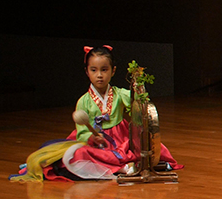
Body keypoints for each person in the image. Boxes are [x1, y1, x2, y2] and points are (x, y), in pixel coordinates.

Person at [10, 45, 181, 182]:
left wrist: (138, 89)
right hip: (96, 143)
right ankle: (122, 167)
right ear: (87, 72)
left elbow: (138, 105)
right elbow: (82, 132)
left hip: (120, 139)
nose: (99, 75)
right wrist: (91, 137)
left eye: (104, 70)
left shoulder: (120, 94)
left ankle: (119, 166)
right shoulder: (83, 101)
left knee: (143, 146)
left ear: (113, 71)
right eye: (94, 70)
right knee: (78, 154)